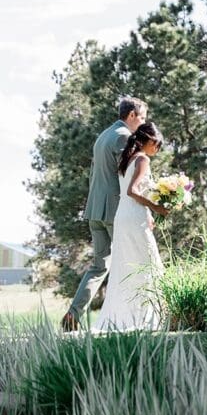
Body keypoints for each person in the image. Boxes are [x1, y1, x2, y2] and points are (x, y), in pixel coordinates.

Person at [61, 96, 147, 332]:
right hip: (113, 210)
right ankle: (130, 317)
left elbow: (95, 175)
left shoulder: (102, 136)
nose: (143, 124)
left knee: (99, 266)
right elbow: (127, 176)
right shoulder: (123, 136)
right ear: (131, 115)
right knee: (128, 262)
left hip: (95, 209)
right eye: (142, 118)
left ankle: (73, 313)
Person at [93, 121, 168, 332]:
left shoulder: (128, 159)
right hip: (134, 217)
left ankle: (124, 317)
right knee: (148, 264)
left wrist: (149, 212)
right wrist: (156, 207)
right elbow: (133, 191)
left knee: (126, 266)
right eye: (157, 144)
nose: (157, 149)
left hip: (123, 217)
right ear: (149, 141)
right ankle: (150, 316)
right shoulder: (142, 159)